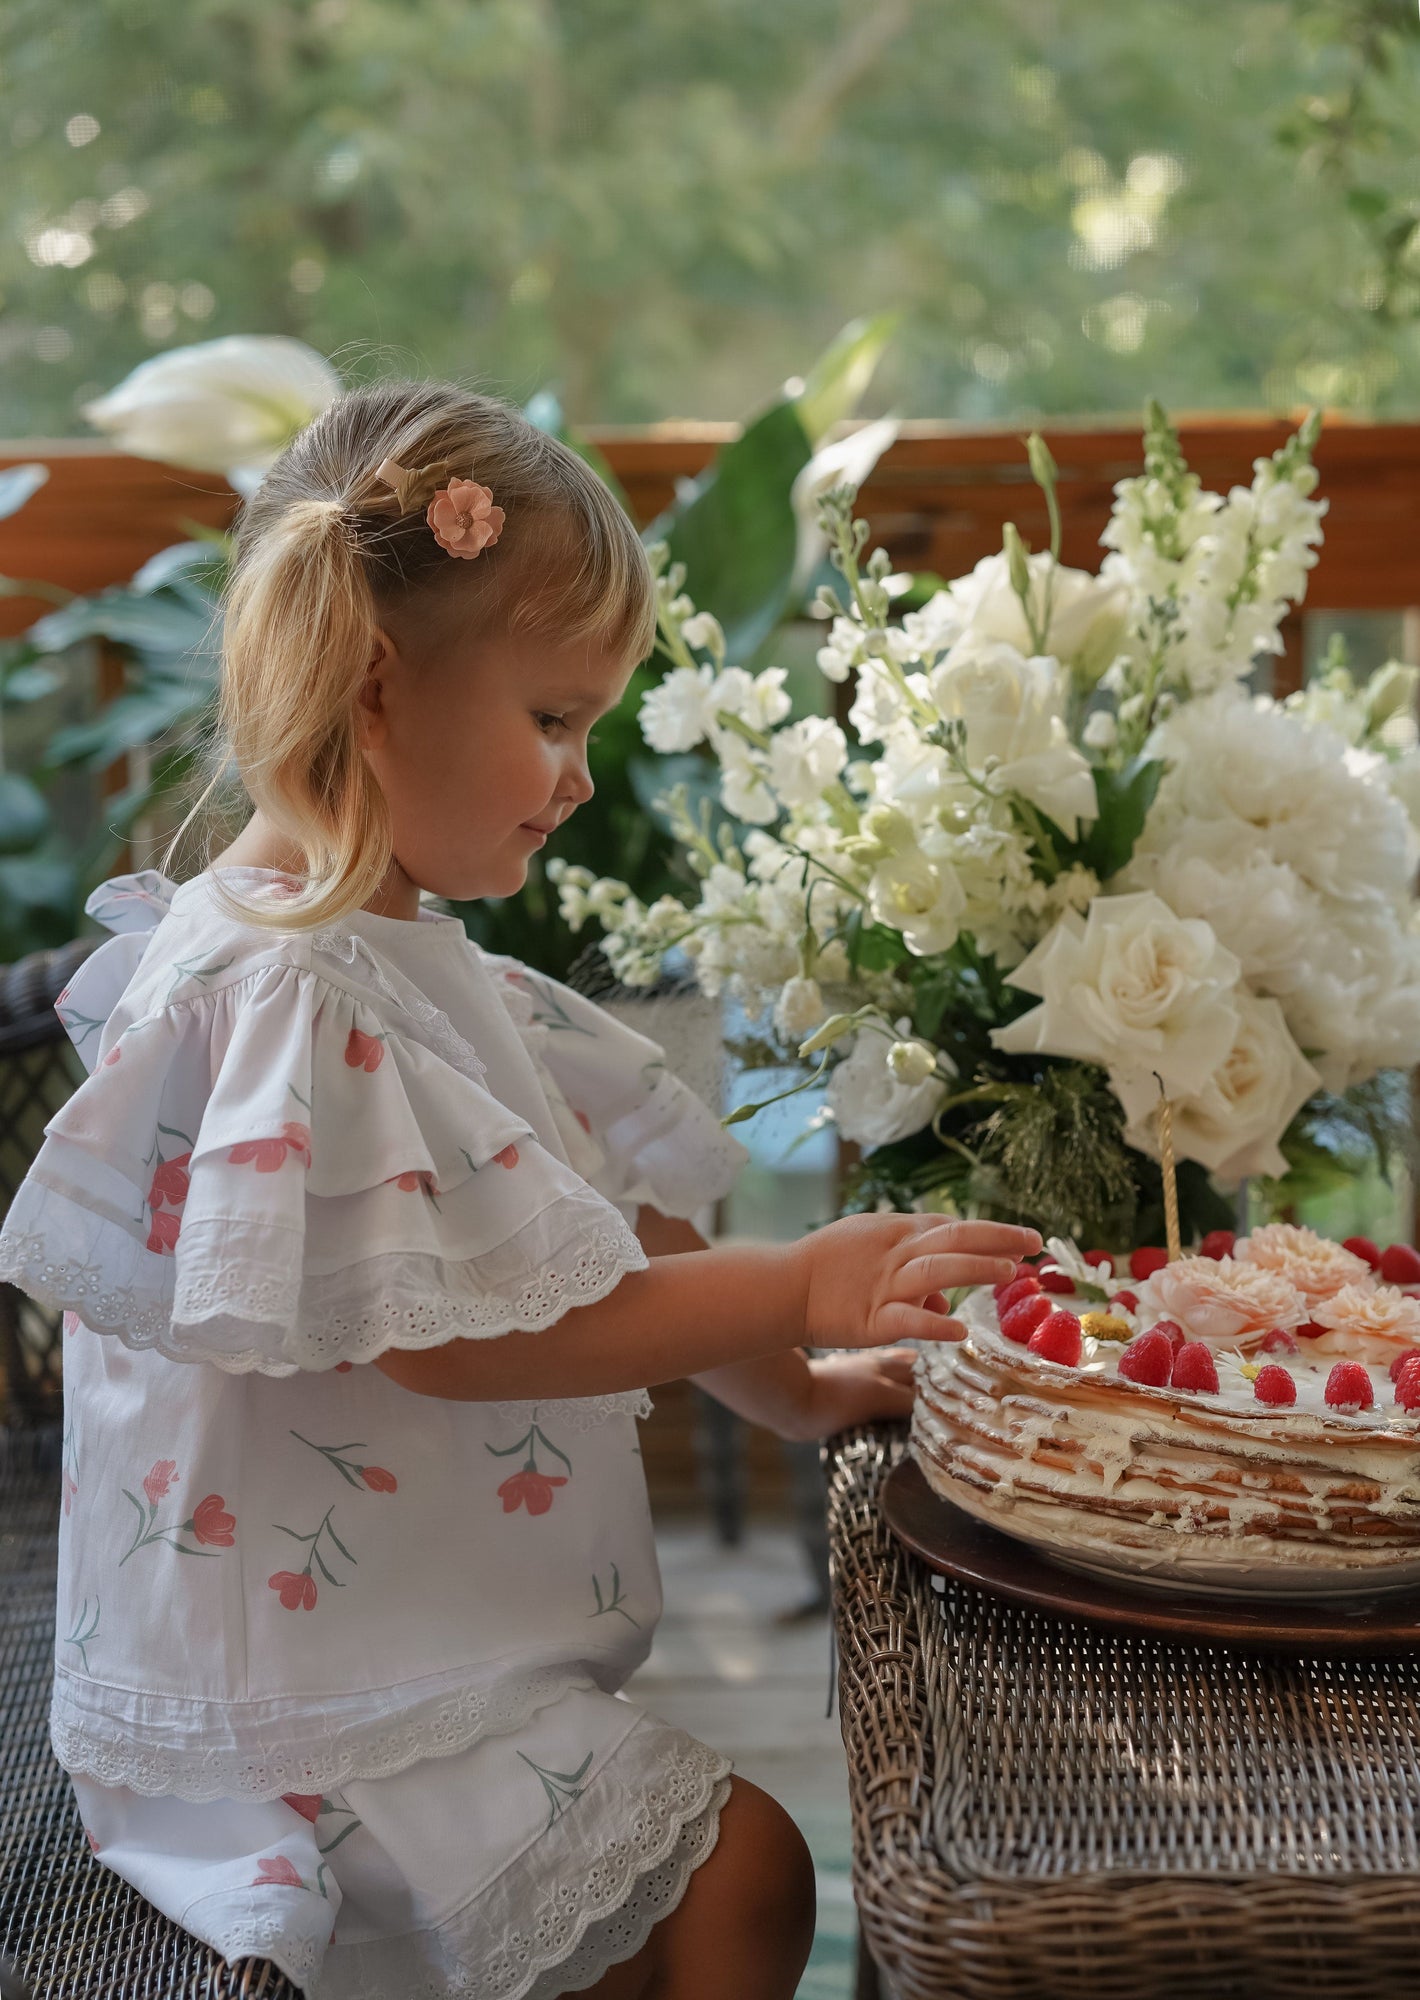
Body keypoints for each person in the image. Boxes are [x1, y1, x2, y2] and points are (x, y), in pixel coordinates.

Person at [0, 380, 1039, 2000]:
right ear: (371, 691)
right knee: (741, 1876)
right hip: (305, 1704)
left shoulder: (395, 960)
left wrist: (801, 1384)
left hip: (388, 1644)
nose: (576, 778)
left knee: (708, 1888)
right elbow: (445, 1340)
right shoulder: (292, 994)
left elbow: (601, 1211)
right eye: (551, 721)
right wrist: (798, 1282)